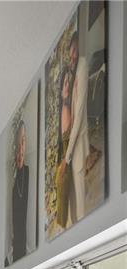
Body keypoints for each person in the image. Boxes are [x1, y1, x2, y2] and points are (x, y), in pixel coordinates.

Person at [61, 34, 89, 225]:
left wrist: (67, 157)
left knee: (80, 208)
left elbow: (78, 117)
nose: (72, 54)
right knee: (71, 201)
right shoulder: (72, 72)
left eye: (74, 49)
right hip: (70, 145)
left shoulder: (83, 66)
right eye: (70, 50)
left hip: (76, 147)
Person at [8, 120, 30, 264]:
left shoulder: (27, 173)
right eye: (19, 143)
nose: (21, 149)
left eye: (24, 142)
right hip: (16, 252)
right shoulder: (12, 181)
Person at [55, 69, 74, 230]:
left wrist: (64, 163)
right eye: (65, 83)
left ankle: (63, 224)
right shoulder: (63, 111)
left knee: (61, 181)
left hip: (69, 159)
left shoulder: (69, 110)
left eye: (69, 82)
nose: (67, 86)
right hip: (64, 158)